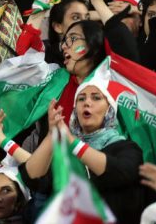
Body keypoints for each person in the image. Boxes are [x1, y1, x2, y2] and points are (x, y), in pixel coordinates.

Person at [20, 78, 145, 222]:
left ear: (109, 109)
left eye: (96, 98)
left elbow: (120, 171)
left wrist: (72, 143)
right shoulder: (65, 151)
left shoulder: (127, 148)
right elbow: (32, 179)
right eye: (81, 99)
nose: (87, 102)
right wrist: (51, 133)